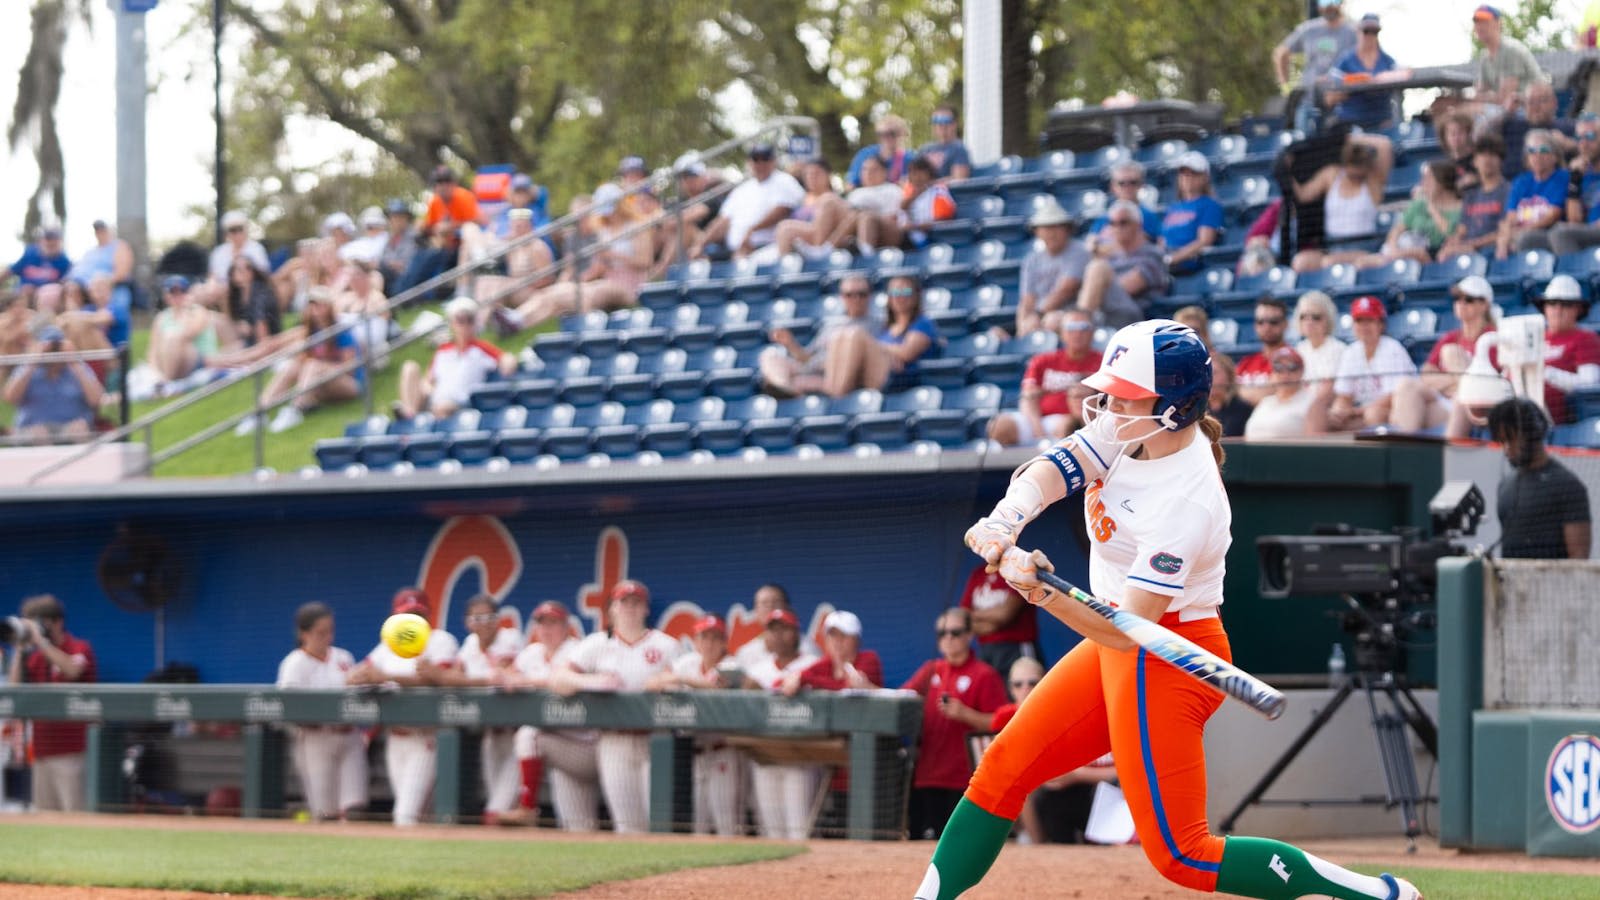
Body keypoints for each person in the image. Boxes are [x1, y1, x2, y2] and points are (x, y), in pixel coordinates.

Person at [917, 318, 1424, 900]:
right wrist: (1007, 520)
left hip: (1167, 653)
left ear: (1175, 407)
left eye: (1126, 394)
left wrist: (1038, 589)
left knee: (1183, 854)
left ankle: (1379, 894)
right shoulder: (1125, 423)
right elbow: (1052, 469)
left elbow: (1125, 631)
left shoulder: (1189, 497)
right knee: (1005, 764)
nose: (1106, 403)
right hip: (1118, 643)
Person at [551, 580, 681, 834]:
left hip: (656, 741)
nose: (630, 608)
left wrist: (665, 682)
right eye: (624, 602)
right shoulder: (596, 644)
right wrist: (590, 681)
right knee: (627, 825)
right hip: (613, 740)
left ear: (646, 609)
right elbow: (557, 680)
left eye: (636, 602)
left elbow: (687, 684)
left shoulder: (666, 644)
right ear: (612, 609)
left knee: (658, 823)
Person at [346, 588, 459, 827]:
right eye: (407, 615)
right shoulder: (388, 646)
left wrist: (384, 676)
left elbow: (434, 680)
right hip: (395, 738)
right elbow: (358, 672)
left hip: (425, 737)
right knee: (415, 815)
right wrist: (360, 676)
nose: (413, 621)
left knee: (406, 815)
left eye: (418, 614)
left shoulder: (439, 640)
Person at [900, 608, 1007, 841]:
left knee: (958, 843)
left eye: (955, 632)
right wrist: (866, 687)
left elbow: (1001, 724)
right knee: (921, 842)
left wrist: (966, 714)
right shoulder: (931, 670)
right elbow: (901, 698)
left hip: (965, 780)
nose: (948, 638)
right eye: (942, 633)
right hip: (927, 775)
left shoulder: (984, 674)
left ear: (970, 635)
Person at [419, 594, 523, 823]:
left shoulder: (510, 637)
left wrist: (441, 676)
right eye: (477, 617)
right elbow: (456, 675)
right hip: (490, 737)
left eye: (489, 616)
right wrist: (445, 676)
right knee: (497, 810)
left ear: (498, 619)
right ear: (467, 622)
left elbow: (497, 677)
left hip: (516, 738)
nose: (483, 622)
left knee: (496, 812)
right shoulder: (470, 644)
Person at [493, 183, 649, 335]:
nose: (607, 214)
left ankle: (587, 332)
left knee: (583, 293)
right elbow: (595, 264)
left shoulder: (637, 226)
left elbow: (644, 262)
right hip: (606, 280)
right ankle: (517, 321)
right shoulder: (604, 229)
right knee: (552, 294)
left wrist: (613, 255)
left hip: (629, 284)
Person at [498, 600, 599, 831]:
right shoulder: (531, 653)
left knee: (529, 736)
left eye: (553, 623)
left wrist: (524, 681)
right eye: (542, 623)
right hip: (559, 748)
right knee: (578, 828)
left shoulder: (577, 649)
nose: (546, 629)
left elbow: (562, 681)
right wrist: (504, 673)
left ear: (566, 627)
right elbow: (508, 676)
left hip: (586, 744)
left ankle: (527, 808)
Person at [647, 615, 745, 837]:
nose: (709, 643)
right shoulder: (687, 663)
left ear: (724, 642)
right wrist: (680, 677)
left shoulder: (732, 665)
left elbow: (716, 688)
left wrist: (682, 680)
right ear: (695, 641)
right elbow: (651, 683)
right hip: (695, 752)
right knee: (697, 827)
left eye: (715, 638)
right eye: (704, 637)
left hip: (724, 751)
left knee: (727, 825)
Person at [274, 602, 367, 822]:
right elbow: (287, 707)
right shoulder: (294, 663)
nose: (328, 637)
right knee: (325, 812)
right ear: (304, 634)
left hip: (349, 737)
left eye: (330, 631)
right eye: (320, 633)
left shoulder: (343, 657)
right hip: (315, 739)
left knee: (355, 808)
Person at [5, 594, 96, 812]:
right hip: (42, 752)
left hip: (72, 752)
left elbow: (72, 670)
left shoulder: (79, 647)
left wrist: (42, 641)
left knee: (76, 816)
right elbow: (14, 688)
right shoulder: (35, 658)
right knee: (46, 818)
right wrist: (20, 647)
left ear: (57, 622)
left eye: (39, 624)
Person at [234, 289, 361, 435]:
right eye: (311, 305)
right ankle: (261, 410)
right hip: (320, 383)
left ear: (327, 306)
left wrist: (323, 368)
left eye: (318, 305)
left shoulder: (340, 331)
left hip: (348, 383)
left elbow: (350, 368)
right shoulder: (311, 331)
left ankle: (296, 408)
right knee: (296, 365)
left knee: (313, 365)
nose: (314, 310)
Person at [1388, 275, 1498, 436]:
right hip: (1448, 402)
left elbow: (1487, 382)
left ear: (1484, 305)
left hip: (1475, 408)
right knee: (1406, 387)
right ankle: (1407, 455)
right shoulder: (1451, 336)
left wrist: (1450, 382)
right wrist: (1454, 382)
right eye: (1457, 298)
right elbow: (1427, 372)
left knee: (1450, 353)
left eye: (1468, 299)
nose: (1460, 303)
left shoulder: (1492, 337)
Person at [1489, 397, 1592, 559]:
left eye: (1511, 439)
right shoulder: (1505, 485)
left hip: (1552, 582)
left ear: (1533, 434)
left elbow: (1578, 560)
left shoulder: (1568, 486)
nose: (1507, 449)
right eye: (1502, 441)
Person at [988, 309, 1099, 447]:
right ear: (1061, 333)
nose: (1077, 333)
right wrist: (1038, 431)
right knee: (1000, 426)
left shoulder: (1102, 361)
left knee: (1069, 426)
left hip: (1074, 421)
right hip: (1038, 420)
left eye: (1084, 327)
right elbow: (1028, 398)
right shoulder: (1043, 360)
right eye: (1071, 328)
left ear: (1093, 332)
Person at [759, 272, 879, 398]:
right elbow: (807, 357)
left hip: (837, 374)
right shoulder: (831, 324)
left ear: (870, 296)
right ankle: (785, 388)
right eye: (849, 295)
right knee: (770, 355)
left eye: (861, 294)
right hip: (813, 368)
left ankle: (795, 390)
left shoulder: (878, 324)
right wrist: (790, 343)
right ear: (842, 297)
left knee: (800, 380)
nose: (856, 299)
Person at [396, 296, 515, 421]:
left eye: (469, 320)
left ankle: (413, 419)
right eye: (460, 320)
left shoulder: (481, 348)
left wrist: (507, 366)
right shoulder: (442, 350)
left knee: (443, 407)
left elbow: (506, 359)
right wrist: (428, 390)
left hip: (461, 402)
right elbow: (429, 380)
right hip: (434, 399)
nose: (464, 325)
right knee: (410, 367)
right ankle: (409, 415)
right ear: (452, 323)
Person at [1288, 134, 1394, 273]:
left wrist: (1351, 137)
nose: (1355, 172)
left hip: (1363, 247)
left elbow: (1384, 145)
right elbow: (1303, 195)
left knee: (1331, 262)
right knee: (1301, 262)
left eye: (1359, 165)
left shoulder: (1373, 181)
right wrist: (1287, 172)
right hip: (1332, 245)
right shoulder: (1332, 175)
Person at [822, 273, 938, 396]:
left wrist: (880, 348)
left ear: (916, 296)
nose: (899, 297)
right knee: (839, 336)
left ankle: (837, 396)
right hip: (877, 371)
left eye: (905, 292)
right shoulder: (886, 327)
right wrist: (888, 353)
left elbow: (906, 353)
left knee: (855, 334)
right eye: (894, 293)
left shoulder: (922, 323)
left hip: (902, 379)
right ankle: (834, 393)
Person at [691, 143, 805, 260]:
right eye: (756, 159)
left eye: (765, 158)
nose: (760, 163)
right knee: (700, 261)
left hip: (766, 246)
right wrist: (700, 244)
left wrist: (751, 230)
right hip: (735, 249)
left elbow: (782, 211)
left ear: (773, 161)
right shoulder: (742, 189)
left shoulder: (785, 181)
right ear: (749, 162)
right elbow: (722, 221)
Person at [1327, 295, 1417, 431]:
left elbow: (1391, 397)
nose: (1364, 326)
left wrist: (1353, 412)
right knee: (1329, 418)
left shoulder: (1392, 348)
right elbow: (1344, 395)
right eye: (1359, 321)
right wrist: (1339, 411)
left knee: (1374, 415)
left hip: (1399, 411)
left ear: (1381, 324)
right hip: (1363, 411)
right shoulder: (1351, 351)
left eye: (1369, 320)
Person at [3, 325, 103, 444]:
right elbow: (10, 398)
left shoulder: (78, 368)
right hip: (33, 428)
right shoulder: (27, 368)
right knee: (40, 434)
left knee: (79, 429)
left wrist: (74, 362)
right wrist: (33, 361)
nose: (54, 352)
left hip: (69, 427)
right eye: (50, 348)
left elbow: (96, 400)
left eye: (57, 347)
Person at [1077, 200, 1168, 328]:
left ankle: (1080, 322)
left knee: (1098, 267)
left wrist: (1101, 280)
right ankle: (1079, 322)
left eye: (1123, 222)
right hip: (1103, 310)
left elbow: (1129, 286)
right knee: (1055, 318)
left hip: (1135, 317)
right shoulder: (1110, 254)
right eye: (1112, 223)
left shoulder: (1152, 253)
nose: (1117, 228)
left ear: (1138, 225)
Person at [1272, 0, 1358, 136]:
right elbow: (1282, 53)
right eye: (1324, 2)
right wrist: (1286, 85)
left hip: (1341, 105)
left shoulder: (1353, 32)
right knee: (1305, 147)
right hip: (1308, 103)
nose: (1329, 6)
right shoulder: (1308, 29)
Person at [1013, 199, 1091, 339]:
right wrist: (1023, 325)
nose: (1051, 232)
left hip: (1069, 313)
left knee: (1052, 321)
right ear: (1037, 232)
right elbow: (1027, 299)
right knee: (996, 333)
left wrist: (1036, 315)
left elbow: (1066, 290)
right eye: (1046, 227)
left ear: (1067, 229)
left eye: (1057, 226)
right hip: (1039, 315)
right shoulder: (1031, 260)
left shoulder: (1079, 251)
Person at [1362, 160, 1462, 267]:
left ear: (1442, 182)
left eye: (1428, 179)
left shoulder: (1460, 207)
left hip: (1432, 253)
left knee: (1416, 253)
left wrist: (1431, 206)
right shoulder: (1418, 203)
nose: (1423, 184)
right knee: (1362, 262)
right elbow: (1397, 230)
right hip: (1402, 250)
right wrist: (1393, 246)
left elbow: (1449, 233)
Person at [1532, 275, 1600, 424]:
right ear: (1544, 307)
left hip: (1562, 419)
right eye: (1552, 303)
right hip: (1525, 408)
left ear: (1578, 309)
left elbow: (1589, 385)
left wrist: (1545, 373)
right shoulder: (1534, 337)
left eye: (1566, 304)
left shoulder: (1586, 338)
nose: (1558, 309)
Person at [1323, 14, 1402, 131]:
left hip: (1382, 124)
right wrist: (1355, 86)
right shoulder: (1345, 61)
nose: (1370, 35)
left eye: (1374, 31)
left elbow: (1401, 82)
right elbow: (1329, 99)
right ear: (1358, 32)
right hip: (1350, 124)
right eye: (1366, 31)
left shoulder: (1388, 62)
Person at [1497, 129, 1567, 257]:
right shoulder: (1520, 182)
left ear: (1555, 156)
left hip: (1547, 234)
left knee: (1524, 239)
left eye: (1544, 150)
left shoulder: (1562, 177)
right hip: (1520, 234)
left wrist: (1523, 231)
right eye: (1531, 151)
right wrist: (1503, 239)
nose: (1537, 155)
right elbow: (1510, 217)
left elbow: (1553, 215)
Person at [1440, 135, 1511, 259]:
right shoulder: (1471, 195)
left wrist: (1472, 244)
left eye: (1492, 155)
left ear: (1501, 160)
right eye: (1482, 155)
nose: (1487, 160)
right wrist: (1452, 243)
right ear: (1475, 161)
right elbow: (1462, 229)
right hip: (1468, 249)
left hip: (1491, 250)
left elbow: (1505, 230)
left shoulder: (1508, 191)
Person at [146, 276, 225, 385]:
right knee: (169, 340)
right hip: (170, 361)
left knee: (172, 338)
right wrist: (155, 370)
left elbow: (188, 334)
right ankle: (164, 378)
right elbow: (153, 350)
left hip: (200, 360)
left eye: (181, 292)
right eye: (173, 293)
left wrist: (186, 310)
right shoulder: (161, 318)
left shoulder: (198, 312)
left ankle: (166, 382)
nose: (177, 296)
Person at [782, 610, 882, 695]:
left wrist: (805, 679)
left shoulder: (869, 659)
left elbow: (844, 688)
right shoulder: (827, 662)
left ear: (857, 640)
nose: (837, 640)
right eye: (832, 635)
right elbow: (779, 683)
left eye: (844, 634)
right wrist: (793, 679)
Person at [772, 157, 853, 258]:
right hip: (797, 245)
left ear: (827, 175)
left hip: (822, 244)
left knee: (785, 228)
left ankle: (815, 257)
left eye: (816, 173)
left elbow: (850, 220)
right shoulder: (801, 198)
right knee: (783, 228)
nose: (812, 177)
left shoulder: (834, 200)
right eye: (808, 174)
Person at [1471, 5, 1543, 117]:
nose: (1480, 26)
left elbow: (1505, 97)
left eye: (1485, 21)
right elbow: (1479, 94)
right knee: (1459, 113)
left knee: (1472, 113)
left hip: (1531, 110)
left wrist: (1482, 98)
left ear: (1498, 23)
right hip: (1509, 109)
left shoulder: (1511, 49)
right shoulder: (1485, 57)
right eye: (1477, 22)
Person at [1160, 152, 1224, 276]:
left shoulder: (1210, 205)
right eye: (1183, 173)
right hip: (1166, 261)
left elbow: (1204, 241)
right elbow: (1162, 240)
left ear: (1205, 177)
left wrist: (1172, 259)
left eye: (1193, 173)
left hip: (1188, 265)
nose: (1187, 178)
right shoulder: (1174, 207)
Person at [1244, 346, 1319, 439]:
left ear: (1302, 371)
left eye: (1292, 367)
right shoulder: (1265, 401)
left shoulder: (1312, 401)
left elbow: (1314, 446)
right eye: (1278, 368)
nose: (1285, 374)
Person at [1234, 298, 1292, 406]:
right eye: (1260, 322)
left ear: (1285, 324)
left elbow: (1265, 395)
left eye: (1273, 322)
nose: (1267, 327)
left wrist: (1237, 392)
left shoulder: (1291, 358)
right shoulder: (1247, 361)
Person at [1086, 162, 1163, 243]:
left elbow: (1158, 245)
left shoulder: (1149, 216)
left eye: (1133, 182)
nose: (1127, 187)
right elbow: (1091, 244)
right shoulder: (1105, 216)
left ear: (1141, 184)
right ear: (1112, 186)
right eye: (1121, 183)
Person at [1292, 289, 1346, 387]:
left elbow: (1329, 390)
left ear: (1328, 320)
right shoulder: (1298, 350)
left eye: (1316, 317)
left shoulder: (1338, 349)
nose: (1309, 321)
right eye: (1303, 317)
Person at [225, 254, 282, 347]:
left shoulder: (261, 294)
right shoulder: (238, 294)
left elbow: (262, 334)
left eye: (239, 269)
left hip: (268, 343)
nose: (235, 273)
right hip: (250, 341)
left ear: (251, 272)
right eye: (233, 269)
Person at [847, 114, 914, 187]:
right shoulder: (865, 154)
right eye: (881, 134)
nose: (886, 137)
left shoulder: (911, 159)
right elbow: (851, 184)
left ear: (903, 134)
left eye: (892, 133)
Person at [10, 226, 71, 298]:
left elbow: (65, 283)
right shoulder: (30, 254)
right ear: (40, 241)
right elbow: (9, 271)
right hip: (22, 294)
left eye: (54, 239)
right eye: (48, 239)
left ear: (60, 242)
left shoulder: (65, 262)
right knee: (26, 289)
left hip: (48, 297)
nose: (51, 243)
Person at [918, 105, 972, 181]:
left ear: (955, 124)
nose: (941, 125)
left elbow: (959, 180)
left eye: (946, 120)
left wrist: (928, 185)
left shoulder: (958, 149)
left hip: (944, 192)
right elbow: (914, 175)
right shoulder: (924, 149)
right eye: (935, 121)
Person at [1207, 354, 1254, 437]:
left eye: (1214, 373)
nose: (1209, 378)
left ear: (1229, 375)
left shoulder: (1242, 408)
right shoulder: (1199, 410)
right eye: (1206, 373)